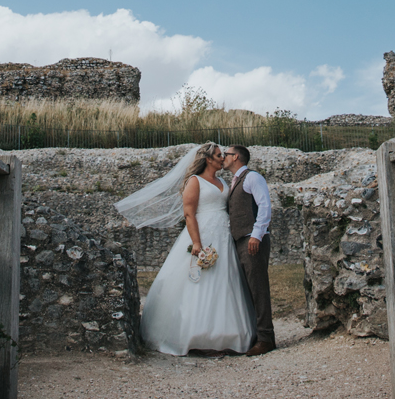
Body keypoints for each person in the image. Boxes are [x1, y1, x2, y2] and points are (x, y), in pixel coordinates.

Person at [115, 142, 254, 356]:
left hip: (223, 235)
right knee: (199, 281)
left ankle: (227, 335)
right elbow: (189, 213)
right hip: (204, 232)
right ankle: (197, 336)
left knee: (225, 280)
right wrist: (197, 242)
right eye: (218, 155)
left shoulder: (222, 181)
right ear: (208, 159)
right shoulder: (194, 181)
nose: (222, 157)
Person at [223, 144, 275, 356]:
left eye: (225, 154)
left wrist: (256, 235)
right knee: (246, 288)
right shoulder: (235, 180)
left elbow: (264, 206)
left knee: (258, 287)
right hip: (240, 240)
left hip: (252, 241)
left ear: (235, 157)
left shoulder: (253, 178)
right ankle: (253, 335)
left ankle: (266, 338)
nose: (223, 158)